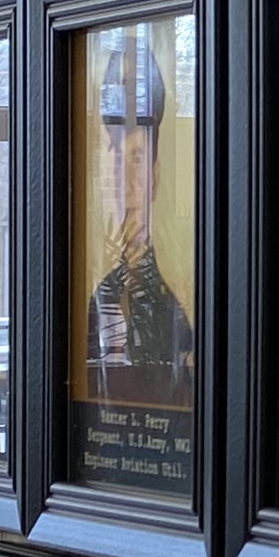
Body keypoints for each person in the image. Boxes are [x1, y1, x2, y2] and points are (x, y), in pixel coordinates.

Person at [83, 24, 189, 390]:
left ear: (156, 174)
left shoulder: (179, 302)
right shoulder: (90, 299)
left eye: (137, 159)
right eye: (113, 161)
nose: (125, 181)